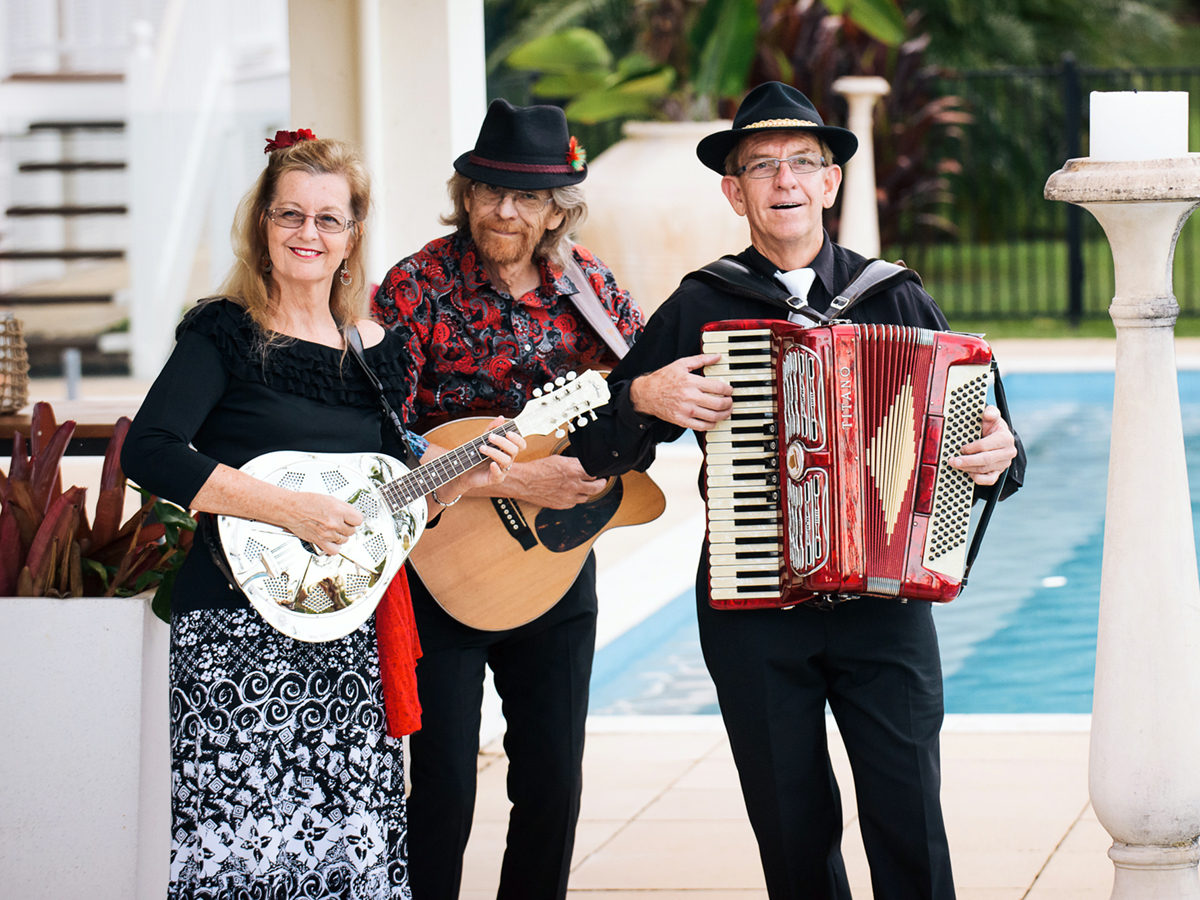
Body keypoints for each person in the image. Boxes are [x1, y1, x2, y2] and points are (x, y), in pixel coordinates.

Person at [569, 82, 1026, 900]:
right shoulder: (702, 304)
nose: (784, 182)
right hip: (756, 611)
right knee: (792, 830)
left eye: (802, 163)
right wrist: (643, 396)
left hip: (885, 606)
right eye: (762, 165)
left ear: (830, 183)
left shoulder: (894, 296)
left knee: (910, 815)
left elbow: (992, 435)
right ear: (733, 190)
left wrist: (1000, 451)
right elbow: (601, 449)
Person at [121, 131, 522, 899]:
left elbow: (387, 506)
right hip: (238, 635)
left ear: (353, 237)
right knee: (244, 853)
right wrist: (284, 508)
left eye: (328, 219)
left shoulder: (375, 352)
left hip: (346, 635)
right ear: (262, 228)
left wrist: (457, 483)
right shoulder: (224, 333)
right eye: (290, 216)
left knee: (350, 848)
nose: (309, 234)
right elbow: (151, 450)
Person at [371, 99, 644, 899]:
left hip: (553, 566)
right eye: (487, 189)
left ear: (557, 206)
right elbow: (381, 433)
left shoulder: (589, 286)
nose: (502, 210)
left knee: (553, 785)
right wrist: (516, 476)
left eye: (525, 196)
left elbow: (638, 400)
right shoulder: (416, 286)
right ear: (464, 192)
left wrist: (614, 447)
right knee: (445, 790)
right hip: (443, 564)